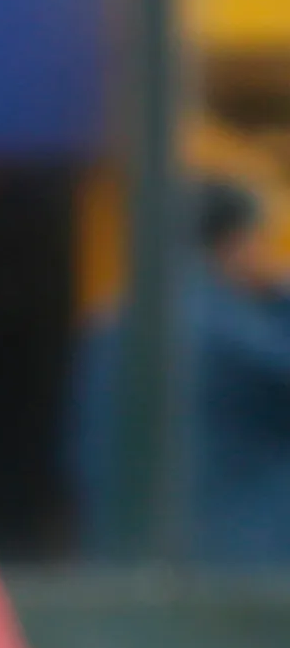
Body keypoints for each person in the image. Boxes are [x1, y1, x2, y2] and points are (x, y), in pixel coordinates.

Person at [75, 179, 290, 563]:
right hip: (230, 548)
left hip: (124, 540)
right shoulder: (223, 323)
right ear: (235, 241)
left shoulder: (117, 318)